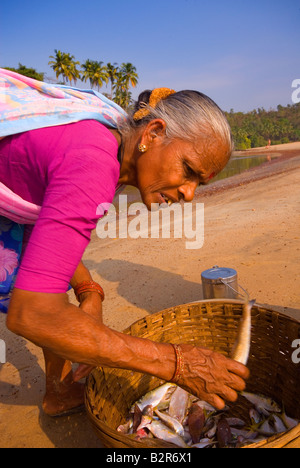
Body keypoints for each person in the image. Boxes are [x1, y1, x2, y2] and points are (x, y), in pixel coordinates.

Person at [0, 69, 249, 418]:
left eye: (199, 184)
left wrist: (88, 290)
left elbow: (51, 233)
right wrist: (176, 363)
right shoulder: (94, 161)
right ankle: (58, 390)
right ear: (154, 133)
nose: (189, 194)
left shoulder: (112, 144)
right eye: (188, 170)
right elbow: (33, 313)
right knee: (49, 309)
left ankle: (58, 392)